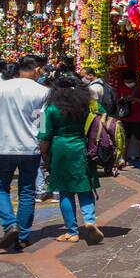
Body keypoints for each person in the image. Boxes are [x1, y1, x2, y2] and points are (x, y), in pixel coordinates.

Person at [0, 56, 49, 251]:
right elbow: (43, 123)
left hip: (3, 147)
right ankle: (24, 235)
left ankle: (10, 224)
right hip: (31, 147)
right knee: (27, 191)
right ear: (36, 70)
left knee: (0, 189)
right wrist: (44, 149)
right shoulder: (44, 91)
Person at [38, 74, 103, 245]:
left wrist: (44, 155)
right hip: (82, 147)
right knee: (84, 187)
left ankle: (72, 231)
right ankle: (90, 220)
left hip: (59, 150)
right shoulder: (87, 105)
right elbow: (102, 116)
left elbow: (44, 135)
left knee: (65, 191)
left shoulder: (49, 109)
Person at [112, 68, 140, 162]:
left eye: (130, 81)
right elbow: (116, 102)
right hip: (125, 117)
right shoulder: (121, 88)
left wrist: (133, 99)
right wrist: (122, 101)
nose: (129, 83)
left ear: (134, 80)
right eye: (127, 81)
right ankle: (123, 157)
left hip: (138, 117)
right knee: (125, 138)